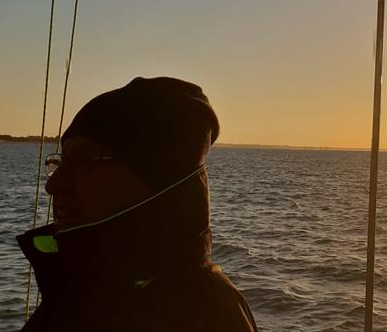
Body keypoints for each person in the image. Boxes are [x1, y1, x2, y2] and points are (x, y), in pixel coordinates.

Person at [18, 76, 258, 331]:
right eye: (61, 161)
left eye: (84, 159)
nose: (53, 185)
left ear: (155, 182)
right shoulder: (84, 292)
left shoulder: (206, 313)